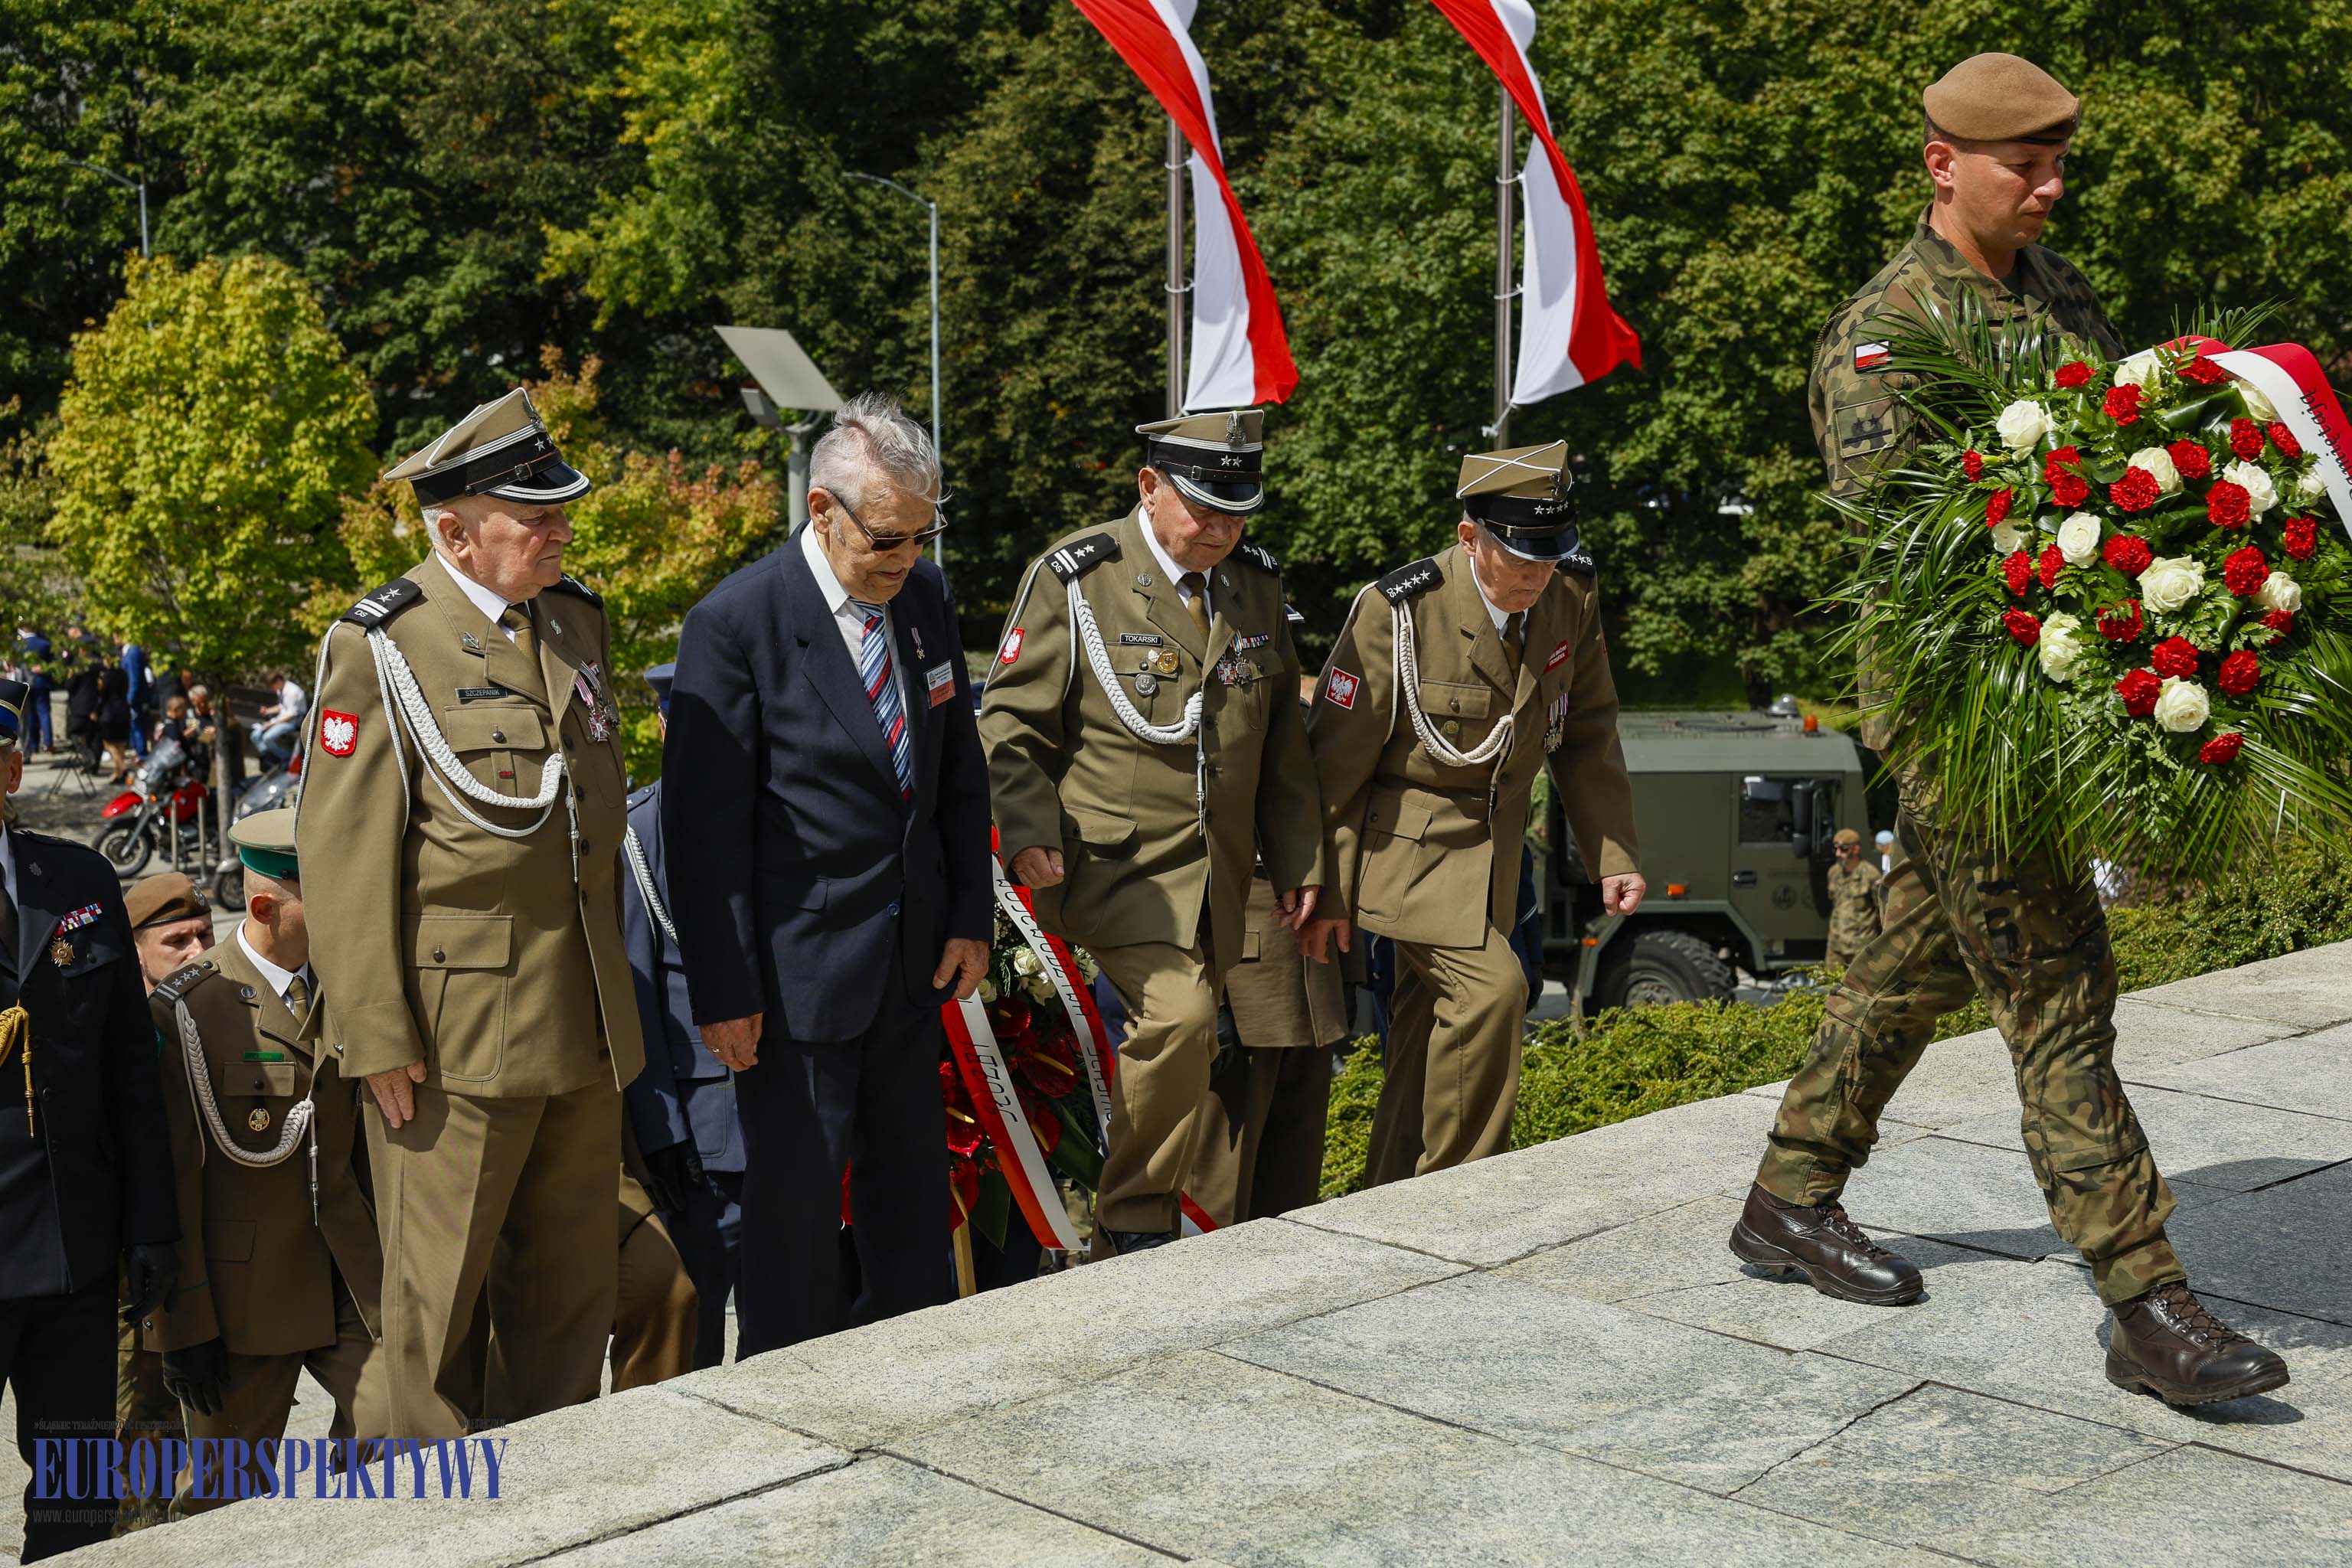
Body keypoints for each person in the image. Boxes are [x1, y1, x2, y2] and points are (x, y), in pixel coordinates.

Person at [1734, 52, 2289, 1405]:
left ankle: (1786, 1195)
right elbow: (1912, 545)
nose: (2050, 188)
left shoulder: (2056, 295)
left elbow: (2116, 457)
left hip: (2062, 694)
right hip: (1962, 723)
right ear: (1941, 165)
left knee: (1911, 967)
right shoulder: (1883, 331)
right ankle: (2145, 1298)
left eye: (2056, 164)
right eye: (2022, 167)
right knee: (2057, 990)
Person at [296, 387, 644, 1438]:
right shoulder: (384, 644)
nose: (560, 532)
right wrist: (377, 1034)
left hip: (581, 1022)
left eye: (559, 513)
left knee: (569, 1311)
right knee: (434, 1323)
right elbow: (342, 856)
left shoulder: (575, 619)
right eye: (533, 518)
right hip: (452, 1045)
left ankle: (551, 1512)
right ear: (452, 530)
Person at [665, 394, 990, 1355]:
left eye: (922, 535)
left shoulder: (923, 597)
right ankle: (786, 1394)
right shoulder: (734, 624)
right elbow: (702, 832)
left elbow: (954, 771)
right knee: (797, 1217)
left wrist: (969, 912)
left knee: (911, 1204)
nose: (906, 559)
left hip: (911, 962)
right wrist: (723, 990)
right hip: (793, 981)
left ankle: (913, 1370)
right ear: (822, 511)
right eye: (888, 538)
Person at [982, 407, 1325, 1258]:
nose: (1220, 529)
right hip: (1116, 866)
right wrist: (1027, 831)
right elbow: (1010, 724)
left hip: (1221, 871)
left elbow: (1281, 745)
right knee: (1180, 1017)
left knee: (1224, 1055)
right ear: (1149, 486)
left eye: (1237, 511)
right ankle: (1131, 1222)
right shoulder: (1080, 577)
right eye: (1203, 508)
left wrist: (1301, 862)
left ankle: (1193, 1228)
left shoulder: (1255, 584)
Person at [1302, 443, 1642, 1184]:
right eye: (1520, 557)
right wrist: (1324, 888)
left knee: (1425, 1035)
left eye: (1551, 556)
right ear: (1469, 536)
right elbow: (1332, 768)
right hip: (1409, 863)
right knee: (1495, 991)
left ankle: (1388, 1196)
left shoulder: (1569, 597)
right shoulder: (1399, 610)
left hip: (1494, 868)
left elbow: (1587, 731)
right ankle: (1461, 1196)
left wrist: (1613, 853)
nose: (1537, 575)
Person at [139, 809, 385, 1514]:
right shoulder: (187, 1009)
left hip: (348, 1282)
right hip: (241, 1305)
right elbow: (174, 1186)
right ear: (265, 907)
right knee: (223, 1502)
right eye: (325, 893)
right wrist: (181, 1332)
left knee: (406, 1434)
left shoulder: (352, 983)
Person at [0, 675, 180, 1559]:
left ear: (12, 766)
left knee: (76, 1492)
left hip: (72, 1249)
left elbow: (127, 1073)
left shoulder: (76, 877)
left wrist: (151, 1226)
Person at [622, 663, 744, 1369]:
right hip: (699, 1140)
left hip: (785, 1117)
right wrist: (660, 1133)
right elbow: (636, 997)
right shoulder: (638, 835)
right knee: (692, 1336)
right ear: (663, 725)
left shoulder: (773, 816)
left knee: (793, 1327)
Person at [113, 872, 214, 1534]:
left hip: (214, 1264)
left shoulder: (224, 1014)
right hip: (133, 1280)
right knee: (135, 1437)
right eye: (175, 940)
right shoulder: (118, 1030)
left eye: (204, 935)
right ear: (135, 951)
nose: (196, 950)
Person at [1187, 871, 1354, 1227]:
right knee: (1215, 1196)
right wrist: (1209, 994)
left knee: (1291, 1198)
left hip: (1313, 975)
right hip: (1235, 970)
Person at [1823, 827, 1883, 969]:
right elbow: (1835, 903)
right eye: (1836, 849)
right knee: (1830, 986)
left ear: (1856, 850)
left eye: (1843, 849)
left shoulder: (1870, 874)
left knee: (1860, 988)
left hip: (1860, 946)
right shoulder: (1834, 873)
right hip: (1836, 945)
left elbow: (1881, 910)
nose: (1838, 854)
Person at [248, 671, 308, 769]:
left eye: (272, 686)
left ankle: (286, 758)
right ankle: (270, 757)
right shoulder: (281, 689)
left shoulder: (293, 691)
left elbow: (292, 715)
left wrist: (272, 724)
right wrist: (268, 711)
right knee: (255, 735)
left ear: (278, 681)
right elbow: (282, 707)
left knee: (267, 738)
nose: (272, 689)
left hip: (293, 722)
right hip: (281, 719)